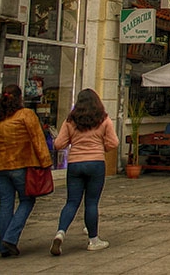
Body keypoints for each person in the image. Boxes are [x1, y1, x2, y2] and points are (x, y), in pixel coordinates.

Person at [51, 88, 118, 255]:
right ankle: (93, 240)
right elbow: (114, 143)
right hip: (96, 163)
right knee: (91, 202)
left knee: (72, 201)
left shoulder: (70, 121)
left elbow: (59, 144)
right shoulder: (104, 119)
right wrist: (102, 148)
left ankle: (60, 232)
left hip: (75, 164)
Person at [0, 84, 53, 257]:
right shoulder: (26, 115)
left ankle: (3, 246)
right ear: (19, 98)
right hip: (21, 164)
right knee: (27, 200)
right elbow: (38, 139)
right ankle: (10, 238)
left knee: (5, 204)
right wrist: (46, 162)